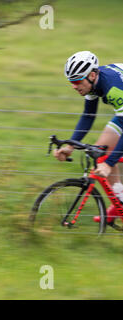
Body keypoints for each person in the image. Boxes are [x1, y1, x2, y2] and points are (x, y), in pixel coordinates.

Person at [55, 50, 123, 224]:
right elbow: (88, 116)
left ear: (92, 75)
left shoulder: (113, 89)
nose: (74, 86)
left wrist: (109, 164)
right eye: (71, 82)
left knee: (107, 161)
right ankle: (120, 203)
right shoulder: (93, 82)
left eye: (77, 81)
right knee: (101, 154)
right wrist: (70, 146)